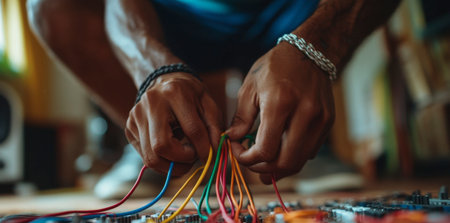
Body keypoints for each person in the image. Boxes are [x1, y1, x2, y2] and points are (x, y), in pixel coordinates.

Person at [27, 0, 400, 186]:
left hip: (296, 13)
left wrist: (315, 45)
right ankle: (157, 145)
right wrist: (153, 72)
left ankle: (301, 139)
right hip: (175, 20)